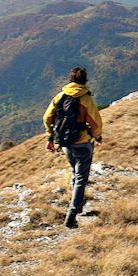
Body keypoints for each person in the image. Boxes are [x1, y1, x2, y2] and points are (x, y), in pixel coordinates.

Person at [43, 67, 103, 229]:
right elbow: (96, 122)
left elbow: (47, 117)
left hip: (65, 143)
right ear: (85, 81)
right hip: (83, 142)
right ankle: (72, 214)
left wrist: (51, 135)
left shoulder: (60, 96)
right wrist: (97, 136)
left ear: (70, 80)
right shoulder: (86, 99)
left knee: (75, 173)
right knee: (81, 178)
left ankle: (79, 203)